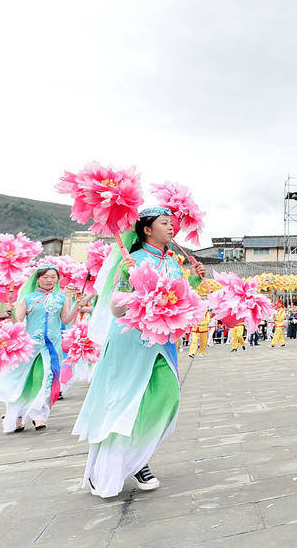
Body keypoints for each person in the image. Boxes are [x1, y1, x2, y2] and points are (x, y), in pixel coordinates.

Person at [72, 207, 207, 498]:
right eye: (164, 223)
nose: (172, 227)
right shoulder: (133, 260)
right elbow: (116, 309)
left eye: (172, 223)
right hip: (130, 342)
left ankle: (135, 457)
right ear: (147, 229)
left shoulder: (172, 263)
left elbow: (180, 300)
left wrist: (193, 280)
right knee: (124, 404)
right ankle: (115, 467)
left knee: (167, 398)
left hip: (162, 343)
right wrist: (123, 277)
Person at [0, 265, 81, 432]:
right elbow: (18, 321)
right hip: (30, 347)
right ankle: (18, 416)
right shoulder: (27, 298)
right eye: (45, 277)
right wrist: (10, 312)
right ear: (37, 278)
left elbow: (66, 320)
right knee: (23, 381)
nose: (49, 280)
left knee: (46, 378)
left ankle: (39, 415)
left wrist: (75, 304)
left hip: (51, 347)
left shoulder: (61, 298)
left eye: (53, 277)